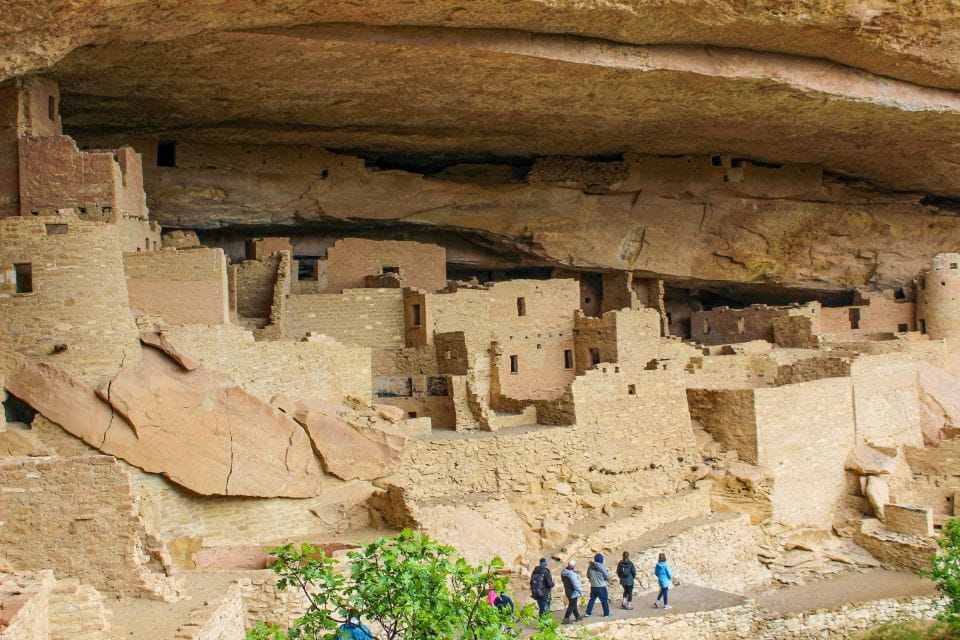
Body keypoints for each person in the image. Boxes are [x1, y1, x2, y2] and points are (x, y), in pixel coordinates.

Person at [584, 553, 611, 617]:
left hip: (593, 586)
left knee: (592, 599)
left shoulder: (590, 566)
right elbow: (607, 576)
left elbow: (588, 575)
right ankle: (606, 613)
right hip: (601, 586)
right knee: (604, 600)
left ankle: (588, 612)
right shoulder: (602, 567)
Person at [559, 559, 584, 624]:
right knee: (572, 605)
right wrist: (581, 592)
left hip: (568, 590)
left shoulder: (564, 572)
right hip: (573, 592)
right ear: (574, 566)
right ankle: (566, 619)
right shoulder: (571, 574)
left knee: (573, 604)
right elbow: (576, 584)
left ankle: (577, 616)